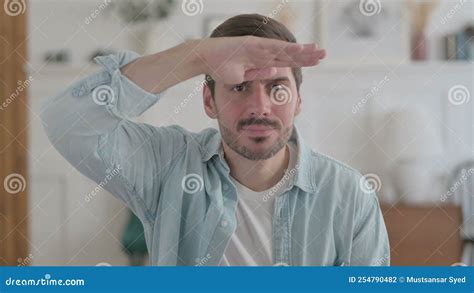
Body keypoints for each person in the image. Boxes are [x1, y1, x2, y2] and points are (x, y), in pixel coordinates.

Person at [40, 14, 390, 266]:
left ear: (298, 100)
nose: (260, 107)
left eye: (277, 88)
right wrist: (198, 56)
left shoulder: (348, 193)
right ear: (210, 101)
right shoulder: (166, 167)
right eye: (239, 87)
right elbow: (68, 120)